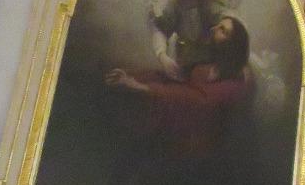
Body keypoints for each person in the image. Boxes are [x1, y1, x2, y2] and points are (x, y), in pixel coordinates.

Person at [105, 15, 254, 158]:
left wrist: (140, 87)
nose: (214, 28)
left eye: (222, 30)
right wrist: (131, 75)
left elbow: (193, 98)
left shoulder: (236, 84)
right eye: (218, 25)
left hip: (197, 152)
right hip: (176, 135)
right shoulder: (207, 66)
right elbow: (172, 77)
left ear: (233, 45)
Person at [148, 0, 231, 79]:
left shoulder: (209, 1)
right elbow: (159, 30)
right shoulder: (168, 1)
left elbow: (229, 22)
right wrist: (162, 56)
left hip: (211, 55)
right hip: (184, 56)